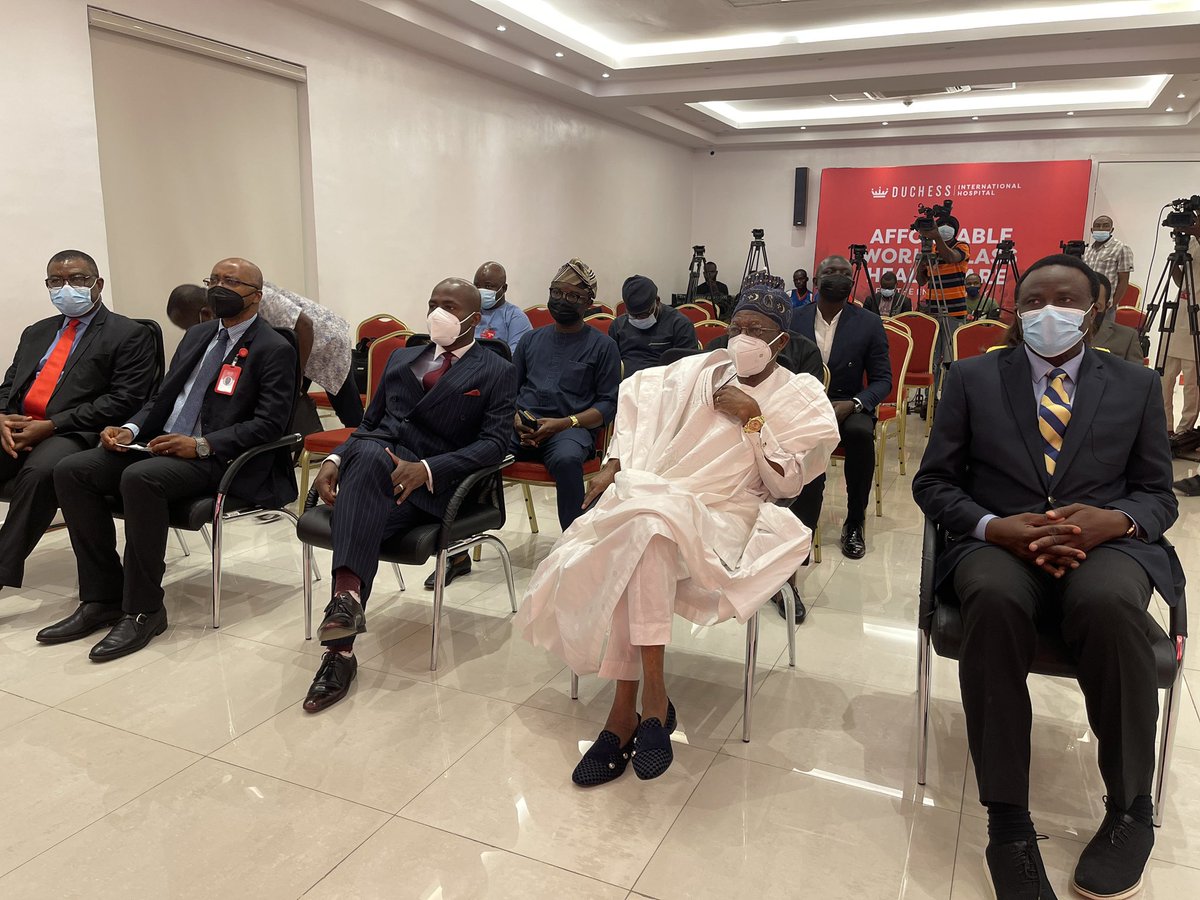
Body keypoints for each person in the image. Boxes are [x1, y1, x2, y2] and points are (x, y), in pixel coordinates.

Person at [913, 253, 1180, 900]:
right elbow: (935, 482)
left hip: (1103, 545)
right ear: (1016, 310)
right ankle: (1008, 821)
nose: (1047, 311)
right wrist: (992, 527)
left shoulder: (1137, 384)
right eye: (1033, 301)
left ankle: (1130, 809)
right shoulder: (971, 378)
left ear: (1094, 310)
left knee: (1110, 604)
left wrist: (1114, 521)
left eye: (1064, 299)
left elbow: (1157, 495)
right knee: (994, 599)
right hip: (1000, 541)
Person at [516, 277, 838, 785]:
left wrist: (754, 420)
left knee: (642, 530)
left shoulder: (800, 394)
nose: (744, 338)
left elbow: (785, 484)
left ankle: (626, 713)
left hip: (730, 513)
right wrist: (614, 463)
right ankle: (649, 703)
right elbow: (639, 403)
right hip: (665, 498)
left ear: (781, 340)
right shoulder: (704, 371)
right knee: (647, 534)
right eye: (738, 326)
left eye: (758, 330)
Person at [39, 258, 297, 660]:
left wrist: (201, 444)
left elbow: (269, 425)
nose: (219, 287)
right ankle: (102, 597)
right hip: (160, 444)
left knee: (141, 478)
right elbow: (162, 398)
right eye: (214, 279)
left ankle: (143, 609)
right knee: (72, 470)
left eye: (231, 282)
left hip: (219, 457)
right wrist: (131, 429)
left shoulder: (274, 348)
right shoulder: (197, 335)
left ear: (256, 296)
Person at [302, 278, 517, 711]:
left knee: (357, 503)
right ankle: (342, 630)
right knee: (366, 453)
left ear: (475, 318)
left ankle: (341, 630)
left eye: (450, 307)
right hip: (379, 472)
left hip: (438, 486)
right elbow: (371, 424)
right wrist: (335, 459)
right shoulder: (403, 358)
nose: (438, 313)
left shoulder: (496, 370)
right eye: (433, 304)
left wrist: (428, 470)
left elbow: (496, 444)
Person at [0, 250, 156, 592]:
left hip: (73, 430)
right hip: (20, 424)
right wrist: (1, 417)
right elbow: (10, 385)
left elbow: (125, 400)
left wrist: (52, 424)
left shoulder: (129, 334)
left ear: (98, 283)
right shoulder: (36, 332)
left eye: (77, 279)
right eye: (56, 281)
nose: (66, 288)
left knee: (41, 474)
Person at [791, 255, 892, 560]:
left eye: (845, 273)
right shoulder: (793, 318)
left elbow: (883, 380)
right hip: (802, 404)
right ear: (816, 280)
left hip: (848, 404)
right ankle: (797, 525)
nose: (838, 277)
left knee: (860, 434)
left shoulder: (869, 322)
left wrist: (855, 403)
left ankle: (855, 522)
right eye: (830, 271)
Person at [511, 258, 620, 532]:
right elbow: (507, 392)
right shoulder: (530, 340)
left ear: (588, 303)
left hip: (571, 429)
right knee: (481, 447)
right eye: (556, 292)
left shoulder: (604, 346)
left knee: (567, 459)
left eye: (573, 296)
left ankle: (573, 541)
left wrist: (564, 423)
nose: (562, 300)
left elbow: (607, 405)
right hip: (522, 428)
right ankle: (463, 540)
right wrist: (515, 419)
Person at [167, 280, 361, 429]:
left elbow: (305, 325)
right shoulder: (223, 308)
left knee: (348, 409)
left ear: (205, 314)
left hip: (326, 339)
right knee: (287, 406)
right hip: (294, 346)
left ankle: (364, 447)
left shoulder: (254, 297)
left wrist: (298, 374)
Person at [608, 275, 697, 377]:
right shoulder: (618, 326)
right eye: (633, 316)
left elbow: (688, 367)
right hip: (626, 381)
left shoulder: (679, 324)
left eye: (643, 315)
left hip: (664, 381)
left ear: (657, 301)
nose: (638, 319)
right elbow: (611, 364)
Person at [1161, 221, 1200, 437]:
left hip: (1197, 317)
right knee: (1165, 375)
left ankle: (1185, 430)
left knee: (1192, 380)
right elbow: (1181, 281)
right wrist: (1175, 264)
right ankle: (1165, 426)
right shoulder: (1190, 243)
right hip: (1179, 310)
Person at [473, 260, 531, 354]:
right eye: (477, 286)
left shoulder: (515, 317)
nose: (481, 290)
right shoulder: (471, 313)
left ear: (504, 288)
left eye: (488, 286)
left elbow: (515, 356)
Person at [1089, 272, 1143, 363]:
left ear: (1107, 307)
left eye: (1096, 306)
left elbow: (1136, 371)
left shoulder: (1126, 338)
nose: (1090, 312)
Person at [1083, 214, 1133, 310]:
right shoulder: (1088, 249)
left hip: (1106, 305)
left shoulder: (1121, 248)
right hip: (1087, 302)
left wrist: (1112, 305)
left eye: (1105, 226)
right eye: (1097, 226)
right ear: (1092, 230)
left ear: (1111, 229)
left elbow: (1123, 281)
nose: (1101, 229)